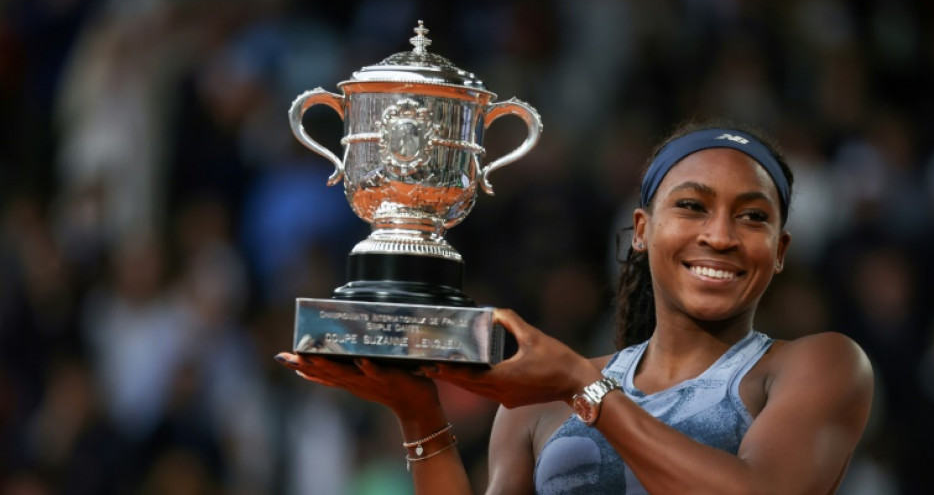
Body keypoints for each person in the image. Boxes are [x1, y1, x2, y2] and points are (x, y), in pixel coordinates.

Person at [276, 122, 874, 494]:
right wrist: (419, 415)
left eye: (752, 216)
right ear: (642, 230)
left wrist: (581, 386)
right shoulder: (539, 402)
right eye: (692, 206)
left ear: (780, 250)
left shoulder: (819, 366)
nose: (720, 236)